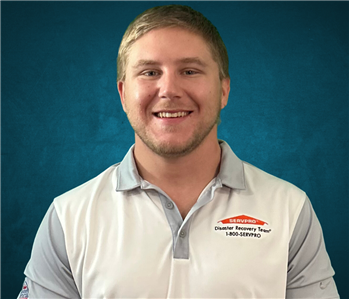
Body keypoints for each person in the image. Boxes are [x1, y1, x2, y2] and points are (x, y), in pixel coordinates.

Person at [18, 5, 339, 299]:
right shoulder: (68, 218)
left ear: (224, 89)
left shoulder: (290, 210)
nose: (169, 90)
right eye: (149, 72)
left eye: (189, 70)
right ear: (123, 93)